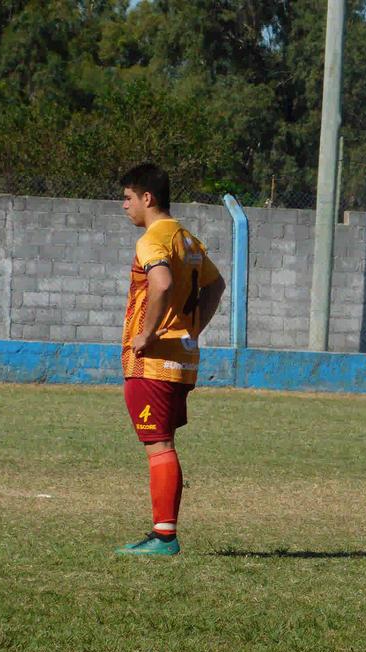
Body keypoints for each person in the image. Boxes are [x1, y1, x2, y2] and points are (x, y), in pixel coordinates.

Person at [116, 163, 226, 555]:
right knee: (164, 443)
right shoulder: (189, 240)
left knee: (158, 445)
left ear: (148, 198)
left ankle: (164, 537)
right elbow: (216, 285)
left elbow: (160, 282)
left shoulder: (152, 239)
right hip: (181, 360)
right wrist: (192, 330)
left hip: (152, 361)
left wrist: (145, 333)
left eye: (128, 197)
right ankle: (163, 531)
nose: (124, 205)